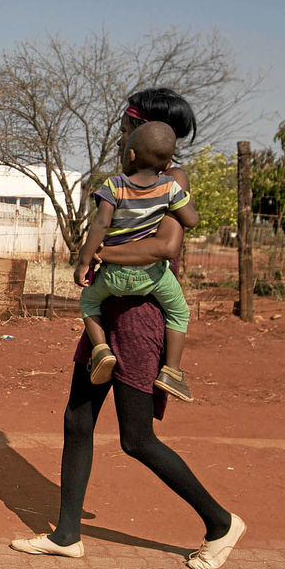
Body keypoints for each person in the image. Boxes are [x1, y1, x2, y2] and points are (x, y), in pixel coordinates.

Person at [11, 88, 245, 569]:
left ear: (147, 130)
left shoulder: (171, 180)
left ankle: (220, 523)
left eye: (129, 121)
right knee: (77, 419)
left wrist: (101, 255)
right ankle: (67, 534)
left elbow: (164, 245)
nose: (121, 128)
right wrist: (90, 256)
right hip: (109, 307)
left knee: (136, 439)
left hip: (140, 315)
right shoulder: (123, 181)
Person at [76, 121, 197, 402]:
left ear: (130, 155)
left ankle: (102, 350)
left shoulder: (114, 186)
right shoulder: (169, 186)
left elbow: (101, 224)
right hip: (151, 277)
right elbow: (191, 219)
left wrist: (84, 261)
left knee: (89, 302)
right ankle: (173, 371)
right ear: (167, 162)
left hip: (113, 276)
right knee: (179, 312)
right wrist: (183, 202)